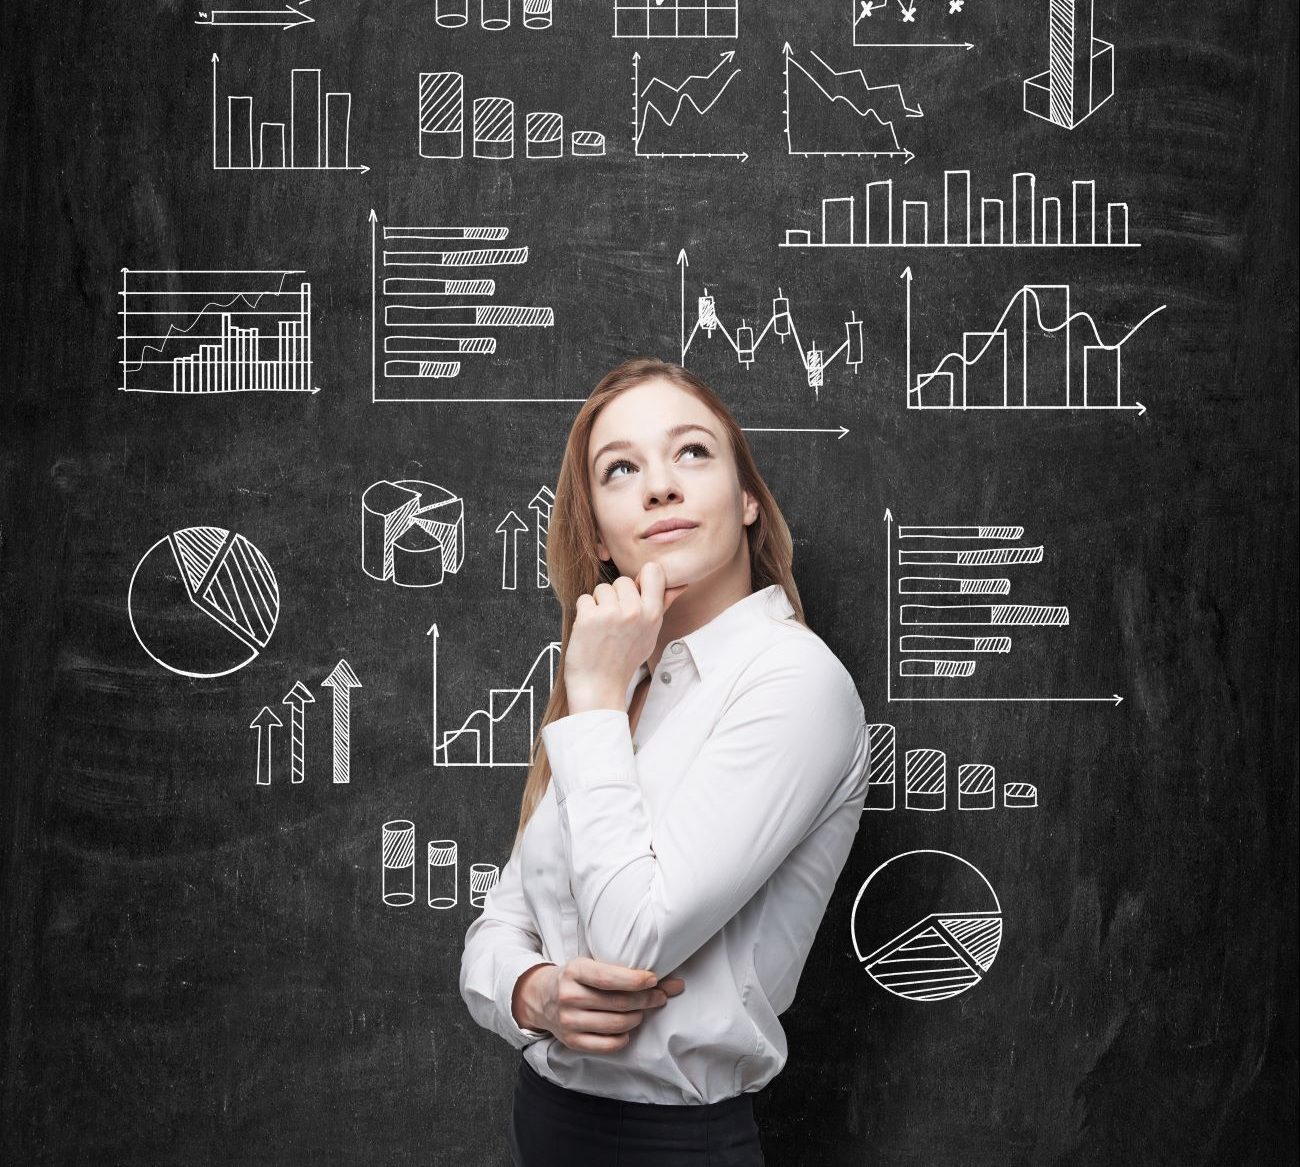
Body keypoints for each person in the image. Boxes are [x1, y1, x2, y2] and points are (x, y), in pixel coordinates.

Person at [459, 357, 870, 1165]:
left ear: (747, 499)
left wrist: (596, 698)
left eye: (692, 453)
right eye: (622, 469)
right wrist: (532, 993)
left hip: (671, 1145)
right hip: (545, 1125)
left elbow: (630, 941)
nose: (659, 487)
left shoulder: (794, 681)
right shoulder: (626, 683)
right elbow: (497, 926)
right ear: (598, 535)